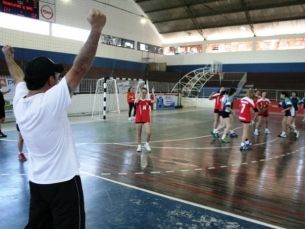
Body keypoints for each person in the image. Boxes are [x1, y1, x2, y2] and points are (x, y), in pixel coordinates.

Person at [2, 9, 106, 229]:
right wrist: (96, 29)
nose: (60, 79)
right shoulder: (50, 102)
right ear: (50, 80)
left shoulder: (20, 101)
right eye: (57, 76)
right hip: (64, 185)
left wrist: (8, 58)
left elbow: (18, 76)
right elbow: (80, 67)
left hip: (38, 184)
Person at [135, 87, 155, 152]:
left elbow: (154, 101)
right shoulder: (138, 100)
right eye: (143, 93)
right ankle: (139, 146)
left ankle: (147, 144)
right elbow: (135, 101)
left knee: (149, 132)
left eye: (145, 93)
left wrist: (153, 93)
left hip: (146, 119)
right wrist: (139, 95)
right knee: (139, 133)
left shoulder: (147, 101)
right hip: (139, 119)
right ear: (141, 93)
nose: (144, 94)